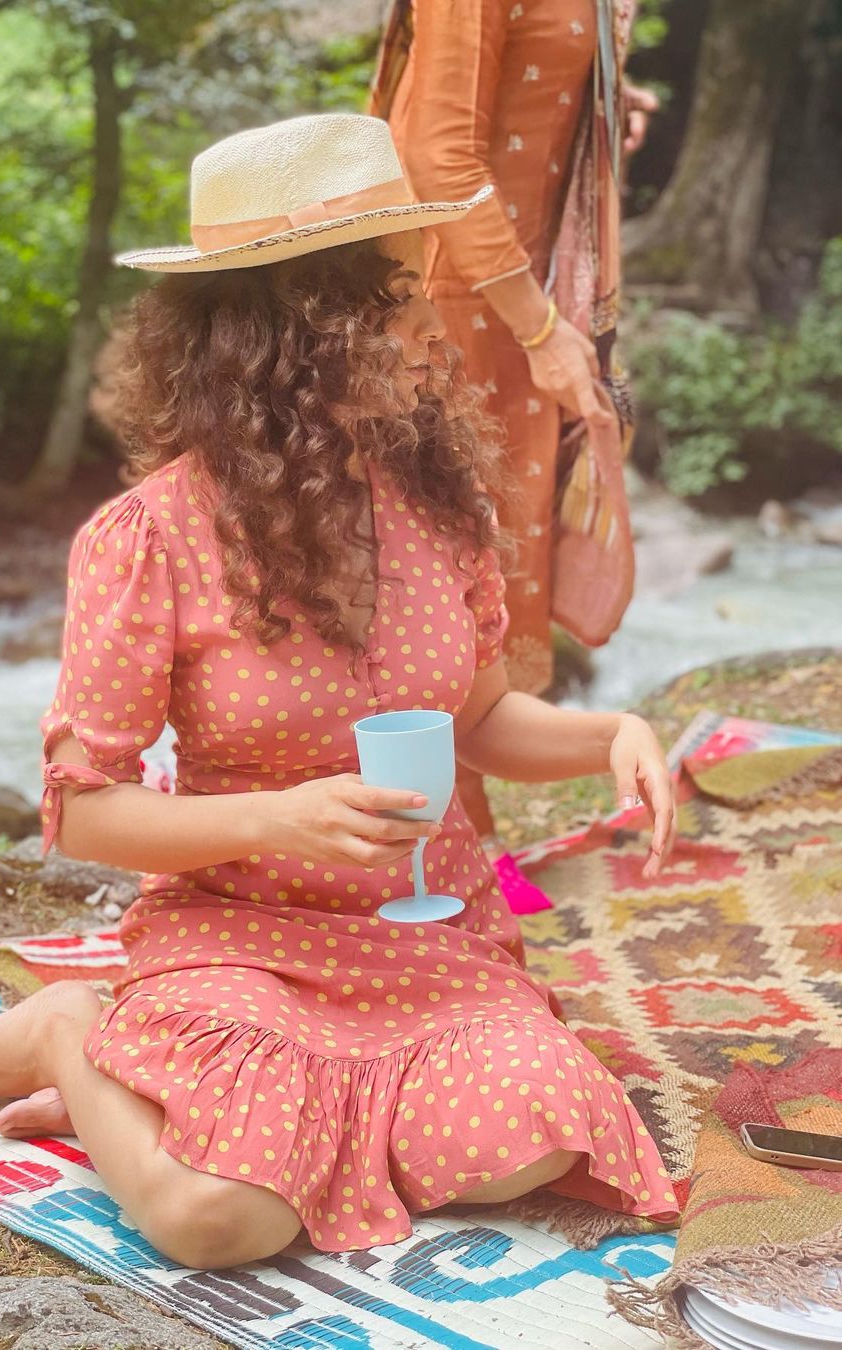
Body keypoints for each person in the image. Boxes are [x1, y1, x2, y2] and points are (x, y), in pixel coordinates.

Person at [0, 113, 678, 1270]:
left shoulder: (439, 503)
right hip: (242, 940)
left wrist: (618, 733)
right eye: (385, 298)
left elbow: (482, 724)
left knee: (531, 1146)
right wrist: (274, 818)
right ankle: (74, 1036)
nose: (421, 323)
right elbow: (84, 809)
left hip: (427, 937)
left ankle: (185, 1105)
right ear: (285, 335)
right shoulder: (149, 539)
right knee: (223, 1223)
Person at [370, 0, 658, 855]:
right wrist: (541, 331)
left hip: (509, 308)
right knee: (424, 576)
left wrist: (602, 96)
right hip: (454, 309)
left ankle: (461, 834)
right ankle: (425, 849)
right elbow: (439, 158)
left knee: (482, 570)